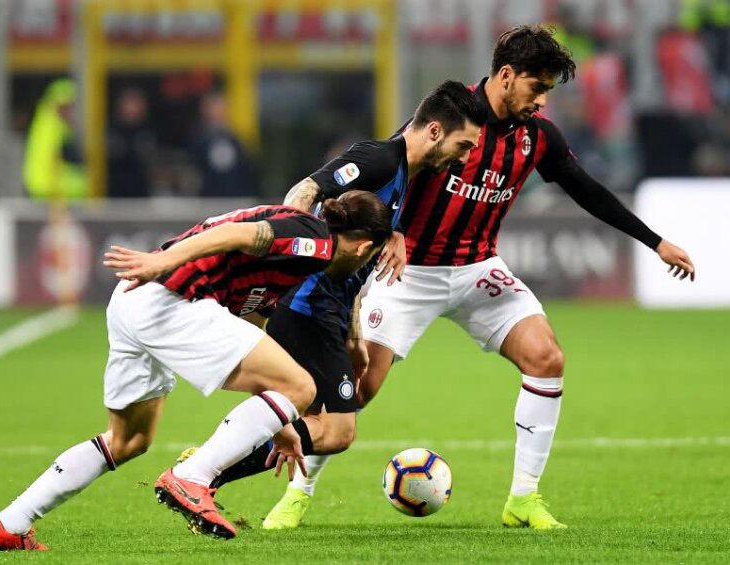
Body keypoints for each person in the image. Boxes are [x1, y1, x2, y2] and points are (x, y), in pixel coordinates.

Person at [262, 25, 696, 531]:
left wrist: (655, 241)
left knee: (547, 357)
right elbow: (390, 169)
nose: (541, 100)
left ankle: (524, 500)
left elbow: (588, 191)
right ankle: (298, 491)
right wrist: (391, 232)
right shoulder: (449, 117)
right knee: (357, 390)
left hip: (478, 268)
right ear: (506, 76)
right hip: (409, 273)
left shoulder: (538, 137)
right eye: (538, 87)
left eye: (549, 91)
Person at [0, 191, 393, 550]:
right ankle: (192, 476)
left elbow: (256, 334)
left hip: (133, 303)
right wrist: (165, 263)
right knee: (301, 386)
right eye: (371, 257)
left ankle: (8, 524)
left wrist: (278, 422)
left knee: (128, 439)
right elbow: (238, 235)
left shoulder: (299, 261)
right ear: (363, 248)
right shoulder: (315, 240)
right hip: (169, 297)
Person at [175, 81, 486, 502]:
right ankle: (203, 470)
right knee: (336, 428)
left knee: (316, 418)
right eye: (464, 145)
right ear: (434, 131)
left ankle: (204, 469)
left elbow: (350, 267)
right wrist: (289, 265)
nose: (465, 158)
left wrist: (354, 333)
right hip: (307, 303)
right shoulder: (378, 158)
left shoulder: (402, 177)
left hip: (328, 307)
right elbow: (304, 192)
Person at [23, 79, 87, 200]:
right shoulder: (53, 127)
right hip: (50, 193)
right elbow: (55, 159)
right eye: (67, 107)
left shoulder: (46, 123)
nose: (71, 112)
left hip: (45, 191)